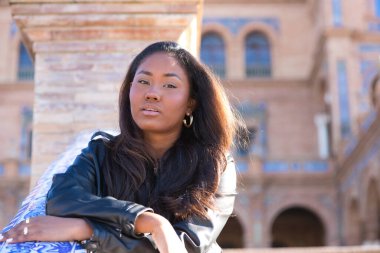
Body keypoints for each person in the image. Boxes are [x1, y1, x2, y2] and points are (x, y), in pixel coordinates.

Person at [0, 41, 241, 253]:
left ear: (191, 103)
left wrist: (89, 230)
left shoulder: (215, 165)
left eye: (170, 85)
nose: (152, 93)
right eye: (143, 81)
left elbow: (185, 248)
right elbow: (63, 198)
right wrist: (149, 222)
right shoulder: (100, 153)